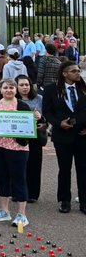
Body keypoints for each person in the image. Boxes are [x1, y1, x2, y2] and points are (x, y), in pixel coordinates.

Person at [0, 79, 32, 227]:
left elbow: (31, 124)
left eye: (12, 87)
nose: (9, 90)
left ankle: (22, 214)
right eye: (5, 87)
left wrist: (37, 118)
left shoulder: (23, 106)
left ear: (16, 90)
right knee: (2, 177)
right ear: (0, 89)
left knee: (19, 179)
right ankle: (4, 211)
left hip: (18, 148)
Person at [43, 60, 86, 214]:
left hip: (82, 135)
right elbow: (47, 112)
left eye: (78, 70)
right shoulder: (51, 90)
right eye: (74, 71)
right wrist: (58, 123)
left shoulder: (83, 88)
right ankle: (64, 200)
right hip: (63, 135)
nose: (77, 73)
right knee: (65, 169)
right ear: (64, 73)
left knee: (83, 168)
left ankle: (84, 200)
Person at [15, 75, 46, 202]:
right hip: (17, 137)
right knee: (18, 166)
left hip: (35, 137)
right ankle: (18, 193)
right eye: (21, 85)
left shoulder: (39, 98)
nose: (24, 87)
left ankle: (33, 193)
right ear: (16, 86)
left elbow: (46, 117)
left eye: (27, 85)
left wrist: (41, 118)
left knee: (34, 165)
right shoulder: (12, 100)